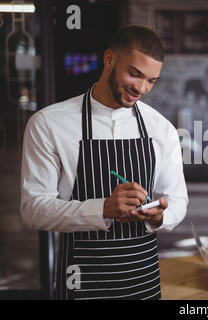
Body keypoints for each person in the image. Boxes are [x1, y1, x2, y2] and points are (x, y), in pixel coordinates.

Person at [20, 25, 188, 300]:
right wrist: (103, 209)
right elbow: (33, 208)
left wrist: (161, 216)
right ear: (109, 59)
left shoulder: (161, 128)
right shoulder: (49, 124)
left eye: (151, 80)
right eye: (134, 74)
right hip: (81, 282)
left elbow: (178, 200)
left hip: (141, 281)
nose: (141, 88)